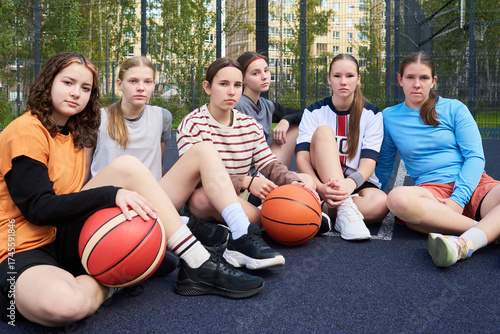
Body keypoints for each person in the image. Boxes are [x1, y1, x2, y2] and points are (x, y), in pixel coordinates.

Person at [0, 52, 264, 327]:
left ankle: (197, 260)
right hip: (20, 245)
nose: (76, 93)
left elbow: (79, 191)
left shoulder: (77, 130)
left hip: (67, 234)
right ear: (48, 82)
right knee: (64, 306)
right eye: (68, 83)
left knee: (129, 166)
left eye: (86, 88)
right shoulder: (26, 131)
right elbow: (39, 209)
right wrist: (111, 194)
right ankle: (122, 279)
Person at [177, 57, 322, 270]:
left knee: (305, 180)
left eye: (237, 85)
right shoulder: (193, 124)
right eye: (224, 84)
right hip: (211, 194)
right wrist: (246, 180)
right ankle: (286, 219)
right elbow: (196, 179)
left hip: (244, 194)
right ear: (207, 87)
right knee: (200, 199)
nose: (231, 91)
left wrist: (294, 182)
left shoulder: (249, 124)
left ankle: (292, 215)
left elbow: (269, 164)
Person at [375, 51, 500, 267]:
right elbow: (384, 165)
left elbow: (475, 158)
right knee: (396, 199)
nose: (417, 84)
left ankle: (463, 244)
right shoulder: (388, 116)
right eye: (410, 77)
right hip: (431, 194)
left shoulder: (455, 109)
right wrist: (365, 195)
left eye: (423, 78)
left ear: (433, 81)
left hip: (474, 184)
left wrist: (457, 200)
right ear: (400, 80)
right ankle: (486, 230)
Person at [296, 54, 389, 241]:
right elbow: (302, 159)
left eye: (349, 76)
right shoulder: (313, 112)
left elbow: (369, 163)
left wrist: (349, 184)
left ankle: (322, 210)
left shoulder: (372, 114)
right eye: (337, 76)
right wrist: (321, 187)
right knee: (323, 132)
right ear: (329, 79)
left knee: (381, 203)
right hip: (322, 183)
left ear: (358, 79)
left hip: (356, 183)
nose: (343, 81)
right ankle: (345, 210)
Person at [86, 56, 171, 182]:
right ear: (119, 84)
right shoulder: (98, 117)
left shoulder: (163, 117)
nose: (141, 87)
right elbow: (86, 167)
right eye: (133, 81)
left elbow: (158, 165)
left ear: (153, 85)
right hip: (108, 195)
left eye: (147, 82)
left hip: (147, 195)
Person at [236, 51, 303, 169]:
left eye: (266, 70)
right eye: (256, 73)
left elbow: (306, 113)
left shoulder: (266, 105)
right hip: (242, 173)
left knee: (294, 127)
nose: (265, 76)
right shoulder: (237, 105)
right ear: (242, 79)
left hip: (262, 168)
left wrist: (285, 120)